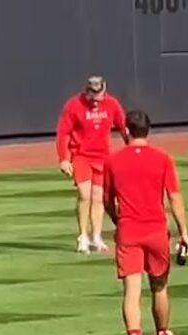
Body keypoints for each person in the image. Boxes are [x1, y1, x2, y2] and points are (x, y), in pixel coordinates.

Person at [103, 109, 188, 335]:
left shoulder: (113, 161)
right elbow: (174, 197)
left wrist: (118, 220)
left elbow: (108, 200)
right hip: (156, 231)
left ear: (126, 131)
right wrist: (184, 231)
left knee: (131, 292)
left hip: (129, 230)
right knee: (159, 286)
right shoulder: (163, 159)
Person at [56, 75, 130, 254]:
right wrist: (64, 158)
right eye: (92, 95)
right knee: (84, 194)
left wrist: (132, 146)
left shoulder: (112, 104)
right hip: (81, 155)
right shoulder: (74, 105)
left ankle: (96, 236)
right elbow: (63, 133)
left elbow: (123, 126)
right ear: (87, 91)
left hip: (103, 156)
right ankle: (83, 236)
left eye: (99, 95)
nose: (96, 100)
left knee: (99, 197)